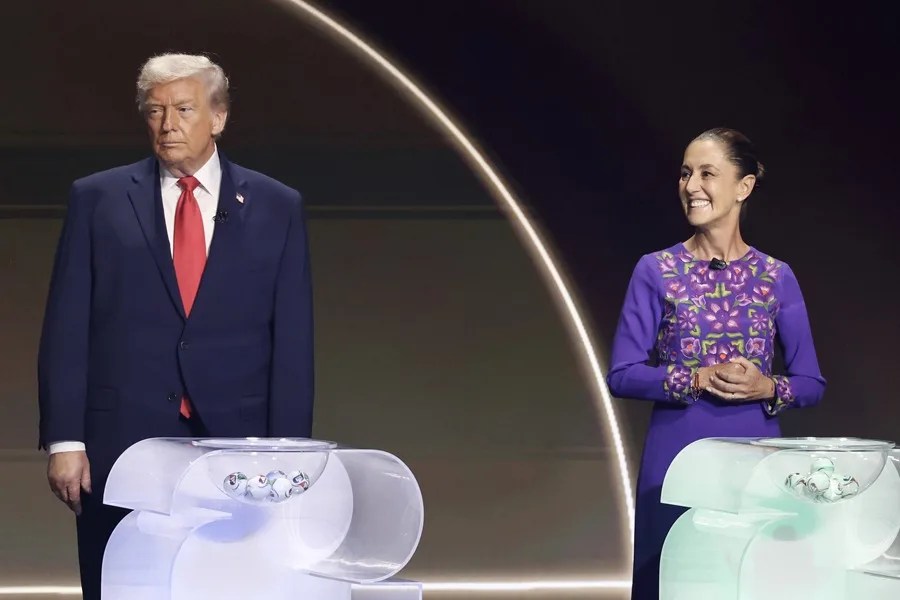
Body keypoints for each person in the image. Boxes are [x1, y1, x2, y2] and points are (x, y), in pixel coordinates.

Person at [37, 53, 315, 600]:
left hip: (239, 446)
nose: (168, 124)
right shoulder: (98, 199)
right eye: (155, 110)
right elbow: (67, 324)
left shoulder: (276, 205)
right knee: (123, 584)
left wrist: (291, 454)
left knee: (230, 586)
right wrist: (65, 440)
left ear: (218, 117)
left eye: (184, 110)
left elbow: (293, 341)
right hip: (121, 441)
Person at [606, 127, 826, 600]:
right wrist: (697, 378)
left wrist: (768, 387)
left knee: (747, 583)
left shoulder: (775, 277)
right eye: (685, 173)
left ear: (743, 187)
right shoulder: (655, 270)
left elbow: (811, 382)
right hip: (675, 463)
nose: (691, 186)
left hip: (755, 467)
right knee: (672, 581)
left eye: (707, 173)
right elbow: (622, 374)